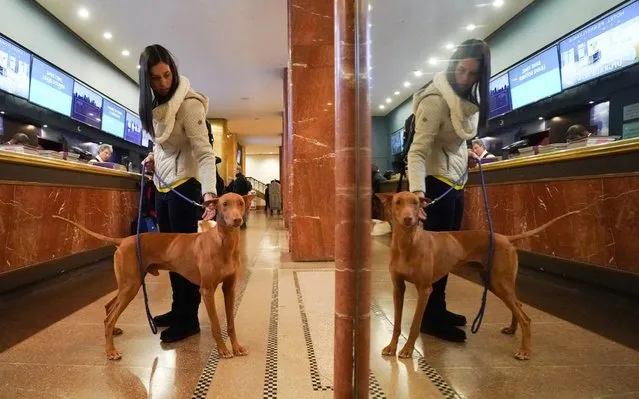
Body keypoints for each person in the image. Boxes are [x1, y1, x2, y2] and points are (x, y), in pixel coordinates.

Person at [407, 39, 491, 343]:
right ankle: (429, 318)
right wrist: (417, 193)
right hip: (433, 186)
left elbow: (455, 140)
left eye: (472, 74)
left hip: (455, 183)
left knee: (448, 256)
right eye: (461, 70)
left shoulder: (467, 103)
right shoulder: (435, 100)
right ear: (452, 65)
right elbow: (417, 152)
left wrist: (464, 155)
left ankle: (438, 309)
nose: (464, 78)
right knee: (433, 258)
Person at [139, 44, 217, 343]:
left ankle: (189, 319)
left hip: (186, 185)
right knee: (171, 259)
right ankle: (177, 309)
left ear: (173, 69)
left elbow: (205, 154)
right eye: (155, 79)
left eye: (167, 75)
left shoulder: (189, 105)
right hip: (162, 187)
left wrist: (209, 194)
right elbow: (160, 145)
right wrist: (151, 158)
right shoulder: (153, 107)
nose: (163, 83)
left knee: (187, 260)